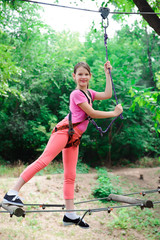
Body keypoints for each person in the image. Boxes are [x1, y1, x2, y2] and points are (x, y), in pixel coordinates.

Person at [2, 61, 123, 228]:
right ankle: (11, 193)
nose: (83, 77)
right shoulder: (76, 94)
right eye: (80, 74)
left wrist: (107, 73)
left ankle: (70, 214)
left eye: (86, 74)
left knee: (70, 175)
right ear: (74, 76)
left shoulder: (90, 93)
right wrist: (114, 113)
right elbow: (92, 113)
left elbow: (108, 94)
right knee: (43, 161)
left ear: (90, 77)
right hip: (64, 132)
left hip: (74, 138)